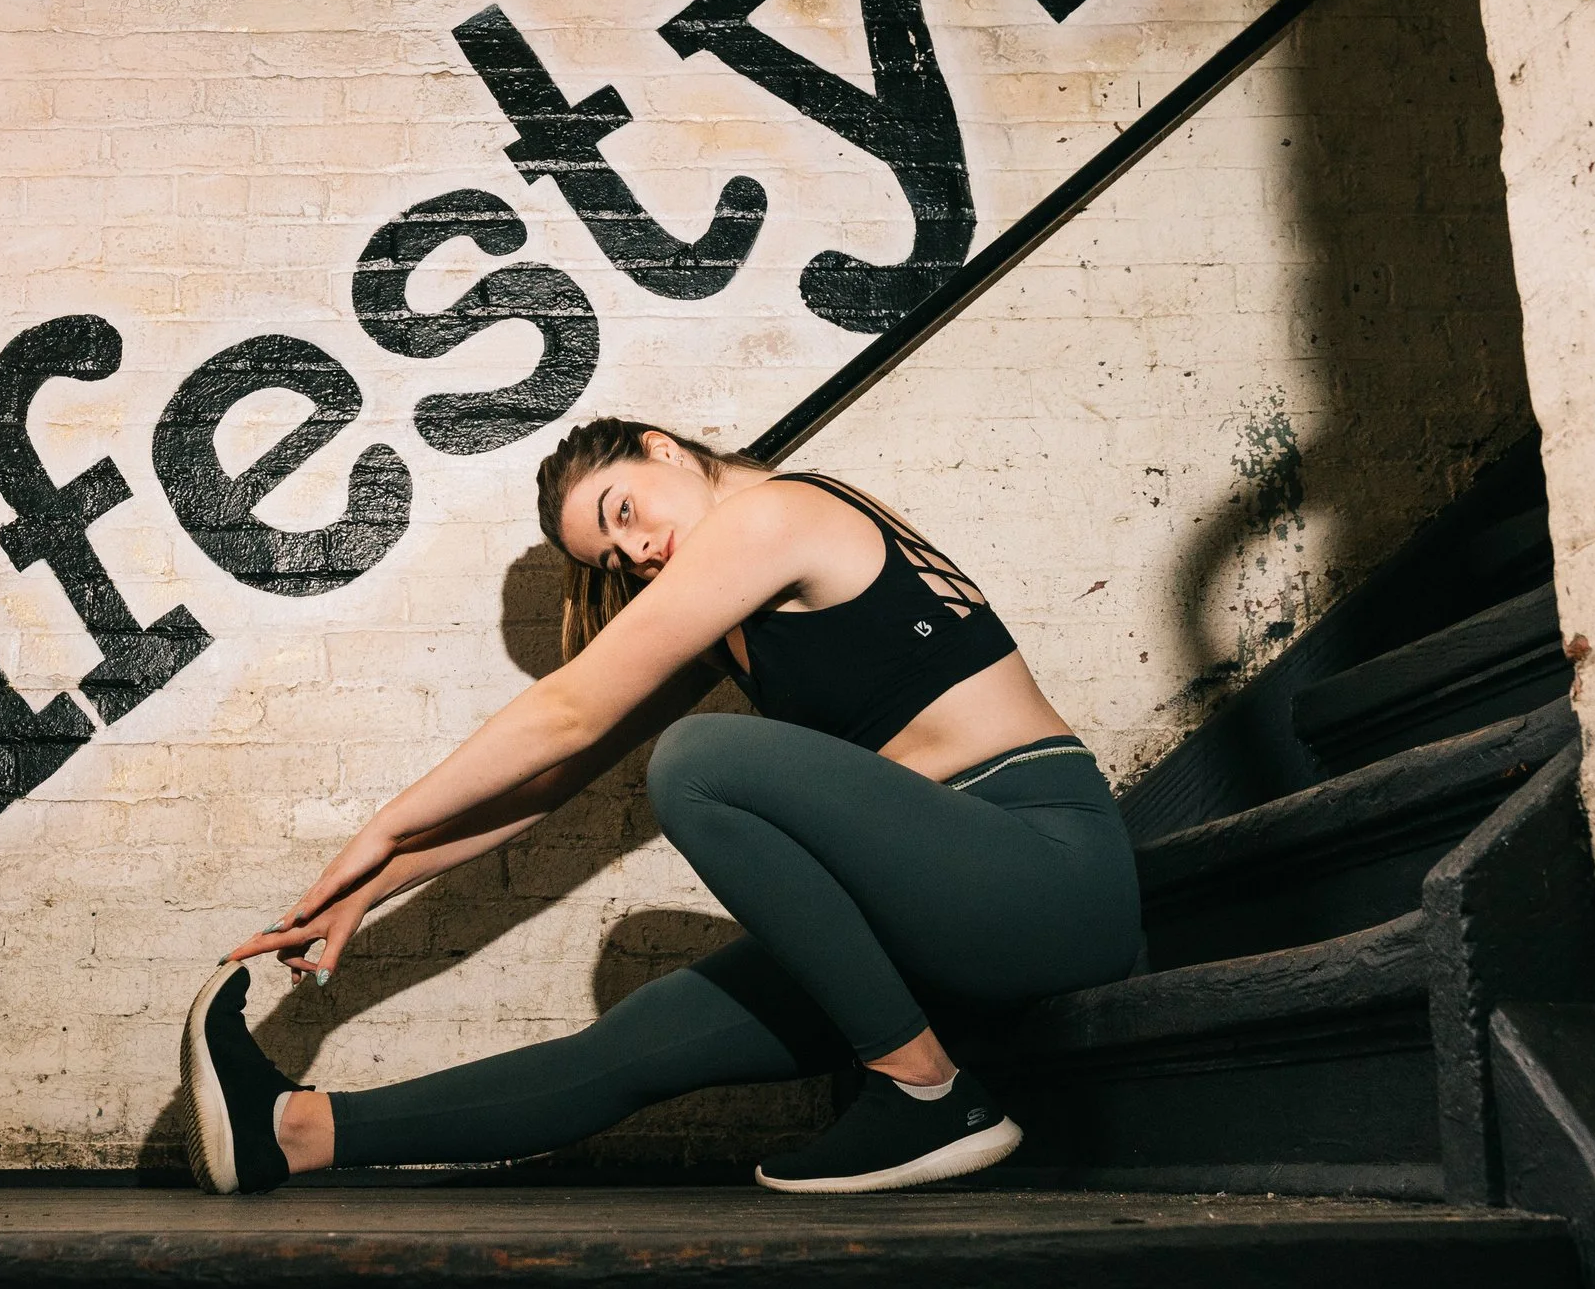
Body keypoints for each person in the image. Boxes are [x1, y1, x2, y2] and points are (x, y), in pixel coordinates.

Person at [179, 417, 1142, 1195]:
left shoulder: (778, 514)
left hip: (1043, 872)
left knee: (699, 759)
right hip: (932, 918)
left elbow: (566, 709)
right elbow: (564, 769)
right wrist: (374, 884)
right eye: (615, 556)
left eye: (625, 510)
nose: (637, 549)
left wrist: (378, 826)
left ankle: (926, 1090)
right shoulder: (732, 616)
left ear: (665, 448)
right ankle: (292, 1133)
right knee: (637, 1043)